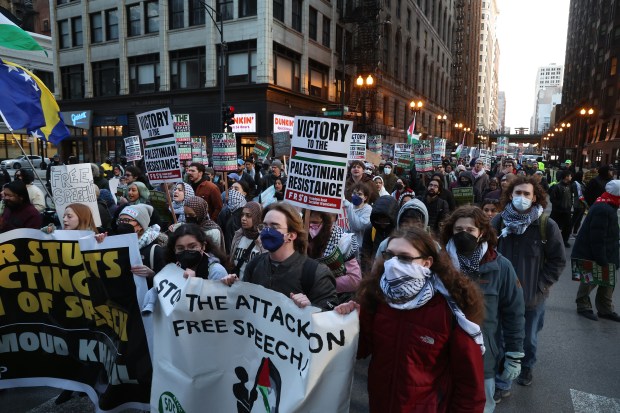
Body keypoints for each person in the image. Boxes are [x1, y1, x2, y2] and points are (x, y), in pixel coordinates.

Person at [335, 228, 486, 412]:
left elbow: (470, 388)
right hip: (380, 405)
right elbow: (359, 350)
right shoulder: (377, 297)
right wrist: (346, 320)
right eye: (389, 255)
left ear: (426, 263)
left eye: (405, 258)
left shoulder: (448, 311)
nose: (393, 263)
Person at [440, 206, 525, 412]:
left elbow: (514, 313)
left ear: (482, 233)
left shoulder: (501, 266)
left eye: (470, 230)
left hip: (482, 356)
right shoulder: (438, 264)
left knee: (480, 406)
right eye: (458, 230)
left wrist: (514, 353)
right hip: (441, 354)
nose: (463, 234)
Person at [492, 175, 566, 390]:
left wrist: (540, 286)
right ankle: (501, 367)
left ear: (535, 198)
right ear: (510, 195)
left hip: (531, 296)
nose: (521, 197)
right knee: (499, 335)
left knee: (528, 338)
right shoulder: (498, 221)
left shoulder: (546, 225)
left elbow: (557, 260)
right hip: (501, 294)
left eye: (527, 194)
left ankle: (526, 365)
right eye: (518, 193)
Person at [221, 202, 337, 311]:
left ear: (291, 235)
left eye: (274, 226)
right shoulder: (254, 265)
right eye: (264, 226)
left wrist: (311, 307)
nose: (267, 231)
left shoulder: (315, 273)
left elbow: (331, 318)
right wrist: (235, 287)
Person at [573, 180, 620, 321]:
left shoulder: (607, 204)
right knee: (590, 279)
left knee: (608, 281)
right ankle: (583, 306)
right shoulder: (603, 208)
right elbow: (597, 237)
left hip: (607, 250)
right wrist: (601, 258)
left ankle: (605, 309)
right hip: (594, 252)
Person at [307, 210, 361, 302]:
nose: (312, 227)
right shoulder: (302, 238)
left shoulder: (343, 241)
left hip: (336, 300)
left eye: (316, 223)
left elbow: (355, 280)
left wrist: (322, 283)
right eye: (309, 223)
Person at [116, 204, 166, 282]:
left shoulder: (155, 250)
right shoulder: (118, 245)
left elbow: (166, 280)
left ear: (140, 225)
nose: (122, 223)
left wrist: (152, 274)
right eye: (120, 220)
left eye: (126, 220)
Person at [361, 195, 399, 274]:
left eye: (385, 221)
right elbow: (365, 254)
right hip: (374, 270)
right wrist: (366, 274)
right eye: (379, 220)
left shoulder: (399, 232)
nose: (382, 224)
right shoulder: (371, 230)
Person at [230, 202, 267, 279]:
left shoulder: (264, 240)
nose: (243, 218)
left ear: (257, 218)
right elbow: (232, 262)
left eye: (248, 216)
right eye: (242, 215)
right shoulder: (238, 235)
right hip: (237, 285)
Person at [217, 184, 247, 253]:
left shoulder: (247, 211)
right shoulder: (225, 211)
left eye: (236, 189)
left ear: (244, 193)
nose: (232, 191)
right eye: (231, 188)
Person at [343, 182, 372, 251]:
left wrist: (348, 206)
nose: (356, 196)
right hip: (345, 245)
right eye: (354, 193)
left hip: (359, 247)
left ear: (365, 198)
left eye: (359, 194)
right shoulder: (348, 206)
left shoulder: (368, 209)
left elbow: (358, 226)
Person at [548, 170, 574, 247]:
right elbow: (552, 199)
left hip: (567, 211)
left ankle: (564, 241)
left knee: (568, 227)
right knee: (553, 226)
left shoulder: (569, 186)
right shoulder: (557, 186)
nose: (571, 177)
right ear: (566, 177)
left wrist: (570, 205)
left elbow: (570, 198)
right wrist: (559, 205)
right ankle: (551, 241)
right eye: (570, 176)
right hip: (557, 211)